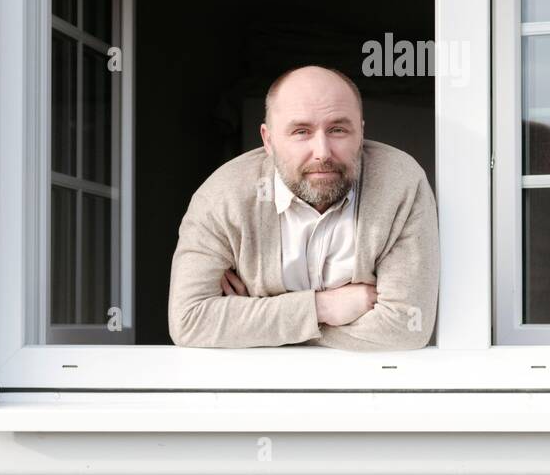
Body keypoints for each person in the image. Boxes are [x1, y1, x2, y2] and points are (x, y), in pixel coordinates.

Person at [168, 64, 439, 349]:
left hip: (369, 384)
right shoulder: (222, 196)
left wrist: (252, 319)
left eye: (337, 130)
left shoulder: (401, 184)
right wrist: (321, 308)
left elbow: (407, 327)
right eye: (301, 132)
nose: (322, 152)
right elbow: (189, 321)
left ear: (360, 133)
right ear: (268, 140)